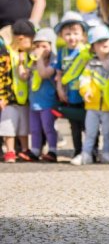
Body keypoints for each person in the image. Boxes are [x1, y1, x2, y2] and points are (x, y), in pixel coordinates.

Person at [74, 25, 109, 165]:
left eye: (106, 40)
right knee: (90, 132)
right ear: (93, 47)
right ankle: (86, 154)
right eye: (99, 42)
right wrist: (85, 91)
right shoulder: (91, 64)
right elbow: (84, 79)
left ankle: (107, 152)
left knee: (108, 131)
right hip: (92, 105)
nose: (104, 43)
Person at [54, 11, 91, 159]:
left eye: (76, 33)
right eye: (68, 33)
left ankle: (91, 150)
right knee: (74, 126)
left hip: (86, 96)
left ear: (83, 35)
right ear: (62, 35)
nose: (72, 37)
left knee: (89, 126)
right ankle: (78, 150)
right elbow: (59, 74)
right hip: (71, 96)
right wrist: (60, 90)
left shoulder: (86, 51)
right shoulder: (62, 53)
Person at [1, 20, 35, 162]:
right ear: (21, 38)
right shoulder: (5, 53)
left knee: (23, 126)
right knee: (8, 125)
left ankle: (25, 149)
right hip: (9, 99)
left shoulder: (27, 55)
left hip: (25, 99)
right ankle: (10, 150)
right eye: (30, 40)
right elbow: (1, 75)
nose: (32, 43)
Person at [28, 27, 59, 162]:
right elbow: (23, 76)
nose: (40, 49)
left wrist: (39, 58)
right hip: (34, 102)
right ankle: (35, 150)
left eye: (44, 46)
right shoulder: (32, 62)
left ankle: (52, 150)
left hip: (48, 102)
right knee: (34, 128)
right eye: (37, 46)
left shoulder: (54, 62)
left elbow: (43, 73)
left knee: (48, 127)